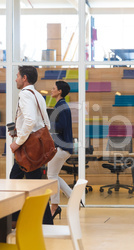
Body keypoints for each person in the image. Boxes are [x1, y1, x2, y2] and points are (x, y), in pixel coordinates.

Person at [10, 65, 53, 225]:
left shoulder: (25, 94)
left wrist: (18, 141)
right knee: (33, 184)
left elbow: (30, 120)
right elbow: (46, 123)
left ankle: (14, 220)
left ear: (24, 78)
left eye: (17, 76)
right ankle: (45, 222)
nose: (16, 79)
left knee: (15, 181)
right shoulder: (38, 95)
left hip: (27, 149)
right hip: (36, 147)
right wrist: (20, 132)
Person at [47, 81, 73, 219]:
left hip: (61, 147)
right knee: (54, 175)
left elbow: (60, 126)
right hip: (64, 147)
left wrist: (47, 123)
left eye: (53, 88)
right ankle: (74, 197)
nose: (51, 90)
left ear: (60, 91)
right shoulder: (61, 105)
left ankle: (54, 206)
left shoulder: (61, 106)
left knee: (51, 177)